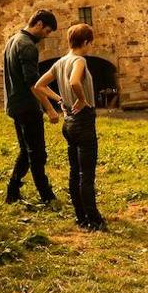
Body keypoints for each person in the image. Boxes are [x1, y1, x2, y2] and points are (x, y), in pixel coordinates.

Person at [35, 22, 105, 231]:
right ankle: (94, 220)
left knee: (75, 172)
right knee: (87, 174)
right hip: (83, 122)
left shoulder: (60, 62)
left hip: (69, 124)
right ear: (85, 42)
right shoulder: (79, 60)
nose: (90, 46)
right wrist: (81, 99)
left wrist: (60, 100)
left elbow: (39, 85)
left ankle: (80, 216)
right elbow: (75, 82)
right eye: (90, 43)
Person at [2, 10, 60, 205]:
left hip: (15, 105)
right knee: (37, 153)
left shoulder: (13, 40)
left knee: (26, 151)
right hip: (27, 107)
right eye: (48, 30)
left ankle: (12, 191)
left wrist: (56, 97)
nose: (47, 35)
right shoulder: (28, 47)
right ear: (39, 24)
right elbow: (33, 83)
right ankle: (46, 196)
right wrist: (49, 109)